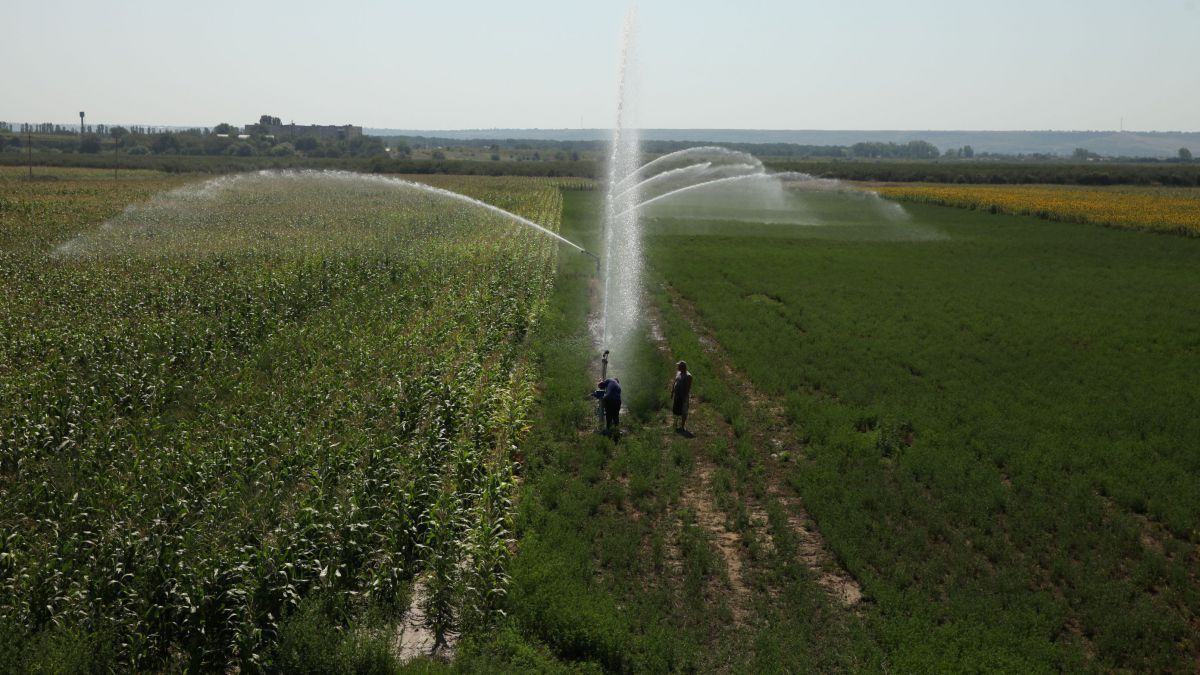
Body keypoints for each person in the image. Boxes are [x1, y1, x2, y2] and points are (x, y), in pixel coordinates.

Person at [671, 361, 693, 432]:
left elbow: (688, 388)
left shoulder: (688, 376)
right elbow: (675, 382)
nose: (678, 367)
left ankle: (682, 426)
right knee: (675, 409)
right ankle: (675, 424)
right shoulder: (678, 373)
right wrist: (672, 392)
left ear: (682, 367)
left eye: (679, 366)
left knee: (684, 411)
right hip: (677, 395)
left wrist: (684, 397)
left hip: (683, 396)